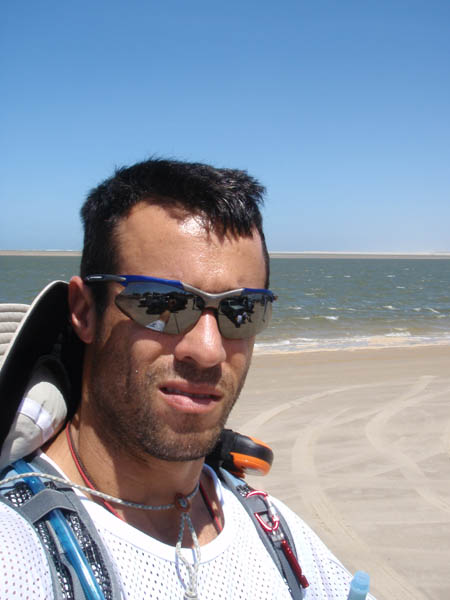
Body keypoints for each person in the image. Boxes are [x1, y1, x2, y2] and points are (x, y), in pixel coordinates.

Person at [0, 158, 375, 599]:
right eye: (163, 304)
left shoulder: (277, 536)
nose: (209, 349)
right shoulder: (18, 553)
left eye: (242, 310)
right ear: (85, 311)